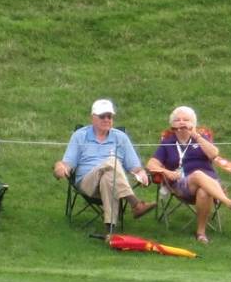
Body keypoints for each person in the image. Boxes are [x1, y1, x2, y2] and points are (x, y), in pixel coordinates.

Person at [143, 106, 231, 245]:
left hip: (210, 185)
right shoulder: (167, 142)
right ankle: (229, 203)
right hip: (181, 185)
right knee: (198, 174)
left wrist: (196, 136)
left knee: (204, 191)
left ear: (193, 124)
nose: (182, 122)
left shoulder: (200, 138)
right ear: (172, 124)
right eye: (178, 120)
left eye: (186, 120)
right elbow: (151, 164)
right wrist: (167, 172)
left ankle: (201, 233)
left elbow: (214, 154)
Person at [53, 98, 156, 237]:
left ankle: (110, 232)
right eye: (102, 116)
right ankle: (135, 203)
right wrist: (59, 167)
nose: (107, 119)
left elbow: (135, 168)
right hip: (87, 183)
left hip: (112, 183)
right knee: (112, 162)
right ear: (93, 118)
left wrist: (142, 174)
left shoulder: (121, 138)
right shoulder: (80, 136)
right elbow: (66, 164)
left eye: (110, 116)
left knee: (108, 177)